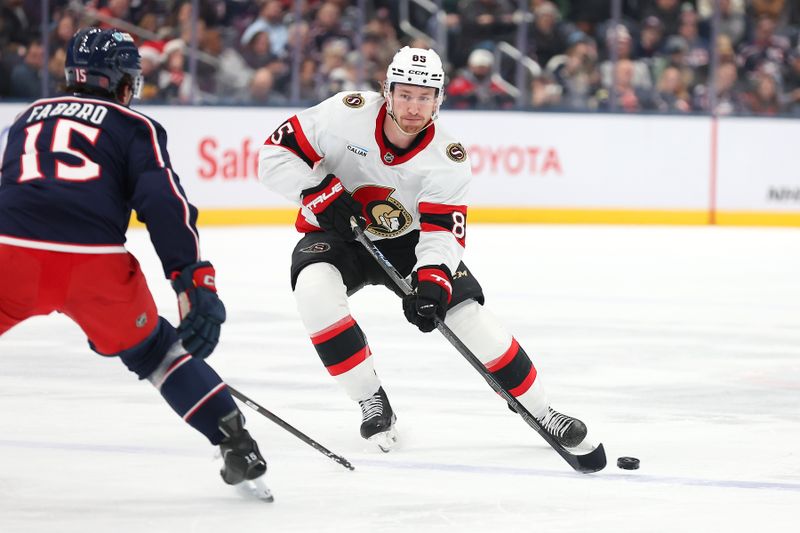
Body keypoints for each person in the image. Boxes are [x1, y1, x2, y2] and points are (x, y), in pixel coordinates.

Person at [257, 46, 588, 452]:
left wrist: (432, 281)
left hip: (408, 242)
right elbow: (274, 156)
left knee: (468, 318)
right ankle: (370, 399)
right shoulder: (345, 112)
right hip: (339, 233)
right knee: (314, 293)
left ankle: (542, 411)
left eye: (425, 96)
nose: (414, 107)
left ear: (439, 99)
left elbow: (442, 230)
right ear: (387, 91)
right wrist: (316, 193)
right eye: (406, 94)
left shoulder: (448, 157)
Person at [0, 28, 269, 496]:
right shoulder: (133, 126)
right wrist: (193, 281)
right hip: (93, 265)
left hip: (9, 250)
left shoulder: (26, 117)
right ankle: (234, 440)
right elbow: (165, 206)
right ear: (123, 82)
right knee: (154, 352)